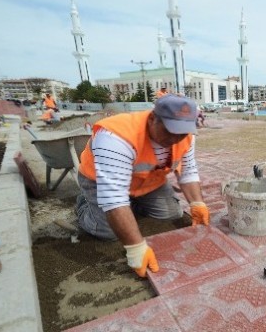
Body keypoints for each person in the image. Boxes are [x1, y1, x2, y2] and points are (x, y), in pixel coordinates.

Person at [74, 94, 210, 278]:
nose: (175, 139)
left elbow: (188, 171)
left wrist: (197, 203)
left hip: (147, 181)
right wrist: (136, 247)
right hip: (100, 182)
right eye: (170, 130)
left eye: (181, 132)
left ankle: (130, 205)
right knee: (108, 232)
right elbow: (114, 198)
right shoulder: (116, 137)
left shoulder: (186, 136)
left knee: (171, 214)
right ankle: (84, 205)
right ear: (153, 119)